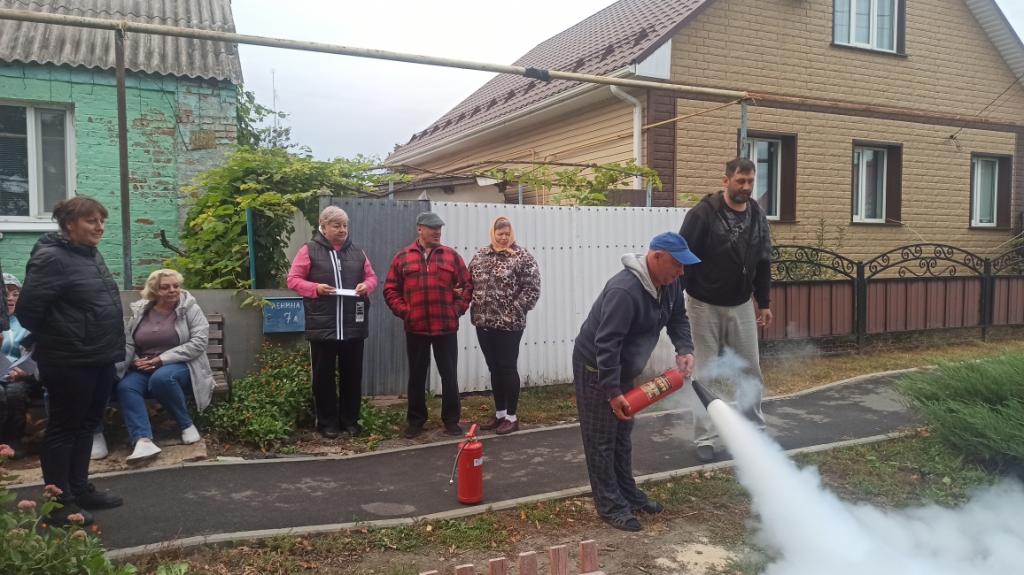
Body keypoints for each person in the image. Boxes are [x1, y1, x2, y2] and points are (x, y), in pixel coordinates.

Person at [573, 232, 698, 532]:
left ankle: (627, 492)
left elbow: (678, 318)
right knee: (601, 438)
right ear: (656, 257)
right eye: (677, 264)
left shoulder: (669, 284)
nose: (681, 271)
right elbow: (607, 344)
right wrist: (612, 390)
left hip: (623, 368)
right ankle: (610, 505)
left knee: (621, 433)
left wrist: (685, 348)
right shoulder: (625, 291)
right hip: (596, 367)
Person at [16, 196, 125, 525]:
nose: (100, 227)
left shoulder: (89, 254)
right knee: (64, 429)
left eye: (102, 221)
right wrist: (68, 335)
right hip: (68, 360)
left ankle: (78, 489)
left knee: (88, 425)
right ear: (69, 224)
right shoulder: (51, 258)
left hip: (99, 356)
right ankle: (58, 501)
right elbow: (28, 312)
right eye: (92, 221)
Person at [679, 157, 774, 462]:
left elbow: (763, 260)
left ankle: (754, 432)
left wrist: (764, 302)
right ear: (726, 181)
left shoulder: (757, 215)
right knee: (706, 373)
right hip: (703, 304)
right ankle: (706, 437)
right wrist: (678, 301)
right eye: (740, 181)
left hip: (742, 304)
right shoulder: (703, 214)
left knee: (750, 369)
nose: (746, 187)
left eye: (750, 181)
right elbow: (682, 258)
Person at [287, 206, 377, 439]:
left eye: (345, 225)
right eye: (337, 225)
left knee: (352, 376)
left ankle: (350, 421)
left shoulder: (357, 251)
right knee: (323, 377)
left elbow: (371, 277)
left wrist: (366, 286)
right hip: (322, 326)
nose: (342, 230)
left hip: (353, 326)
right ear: (323, 226)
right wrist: (315, 288)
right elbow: (293, 280)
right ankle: (327, 423)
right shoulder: (309, 250)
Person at [384, 211, 472, 439]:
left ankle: (451, 421)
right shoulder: (402, 257)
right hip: (416, 328)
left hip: (445, 327)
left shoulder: (451, 256)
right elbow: (390, 289)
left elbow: (467, 285)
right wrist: (405, 312)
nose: (437, 232)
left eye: (439, 228)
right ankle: (416, 421)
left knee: (449, 375)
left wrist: (456, 310)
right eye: (432, 228)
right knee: (416, 376)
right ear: (419, 229)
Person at [115, 269, 215, 462]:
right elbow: (129, 342)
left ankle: (186, 425)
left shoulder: (190, 309)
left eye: (176, 286)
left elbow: (199, 343)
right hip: (145, 365)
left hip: (181, 364)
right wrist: (135, 359)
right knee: (126, 386)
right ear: (154, 290)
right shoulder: (141, 310)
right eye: (165, 287)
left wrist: (161, 359)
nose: (172, 290)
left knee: (161, 379)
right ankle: (143, 440)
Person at [468, 216, 540, 435]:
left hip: (510, 324)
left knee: (507, 367)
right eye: (500, 234)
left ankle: (511, 416)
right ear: (493, 234)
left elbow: (532, 289)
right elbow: (468, 282)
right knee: (494, 367)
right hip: (483, 322)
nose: (503, 237)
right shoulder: (480, 256)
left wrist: (514, 310)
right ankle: (500, 414)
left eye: (507, 234)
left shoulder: (522, 256)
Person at [1, 272, 35, 458]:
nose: (10, 298)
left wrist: (22, 371)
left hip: (20, 375)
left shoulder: (27, 321)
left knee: (15, 393)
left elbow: (34, 354)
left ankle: (14, 441)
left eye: (15, 294)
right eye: (5, 294)